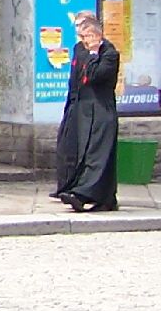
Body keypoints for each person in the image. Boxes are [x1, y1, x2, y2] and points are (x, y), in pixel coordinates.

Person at [51, 11, 120, 212]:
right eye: (81, 36)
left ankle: (83, 195)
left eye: (87, 36)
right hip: (82, 109)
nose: (84, 41)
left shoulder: (109, 54)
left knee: (97, 155)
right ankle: (97, 196)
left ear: (97, 35)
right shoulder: (80, 49)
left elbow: (93, 75)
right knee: (79, 151)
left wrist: (94, 53)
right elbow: (76, 78)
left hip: (101, 109)